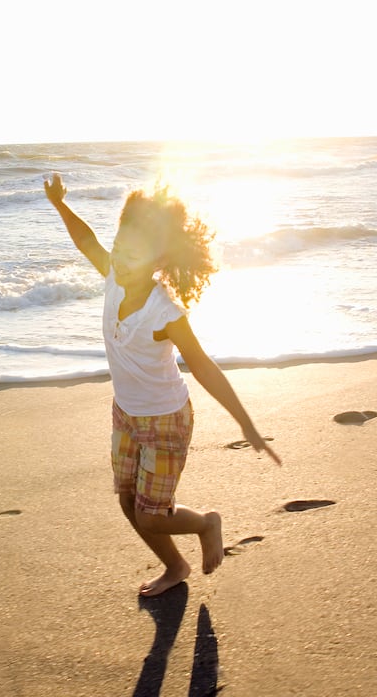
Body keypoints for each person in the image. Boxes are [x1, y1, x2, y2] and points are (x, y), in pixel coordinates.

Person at [43, 173, 281, 597]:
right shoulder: (114, 278)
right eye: (119, 248)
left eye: (133, 255)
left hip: (166, 420)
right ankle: (176, 566)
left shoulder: (164, 312)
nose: (119, 260)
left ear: (158, 261)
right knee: (126, 501)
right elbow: (85, 241)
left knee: (152, 515)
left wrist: (245, 424)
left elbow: (204, 367)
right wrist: (60, 203)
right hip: (126, 414)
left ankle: (207, 522)